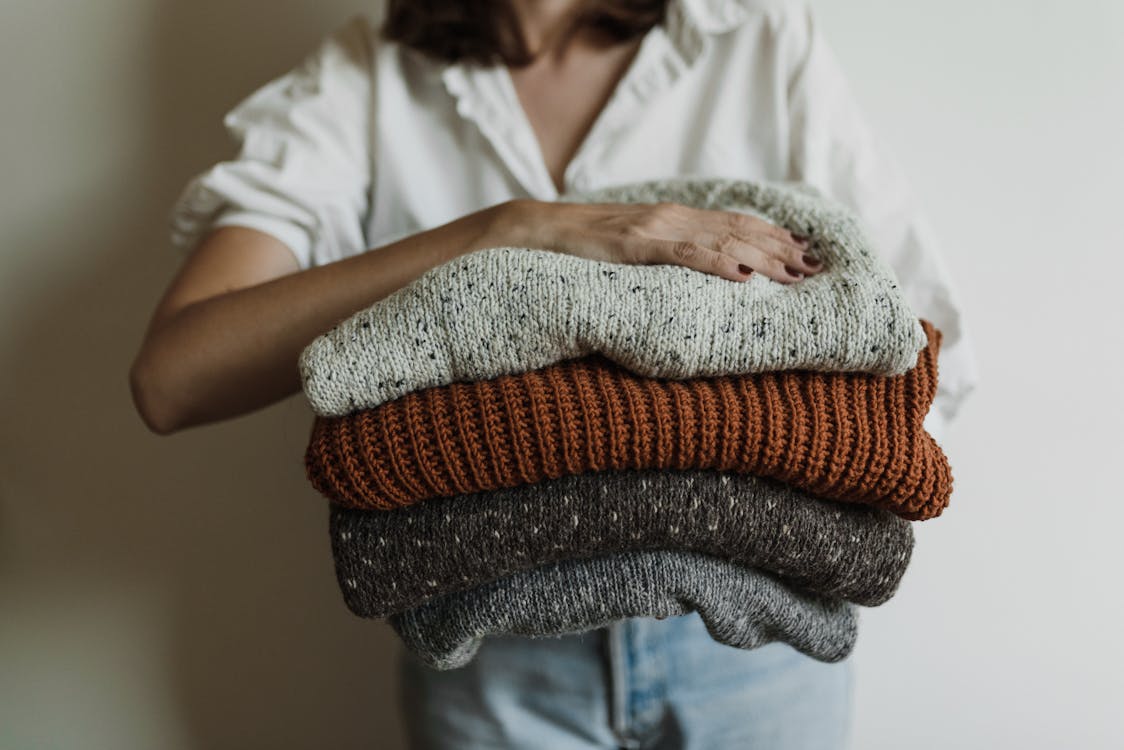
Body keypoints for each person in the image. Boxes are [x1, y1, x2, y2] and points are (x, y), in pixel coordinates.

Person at [129, 0, 979, 747]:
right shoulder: (367, 80)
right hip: (491, 663)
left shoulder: (751, 36)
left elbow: (915, 339)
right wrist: (508, 230)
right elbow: (173, 379)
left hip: (754, 654)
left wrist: (777, 503)